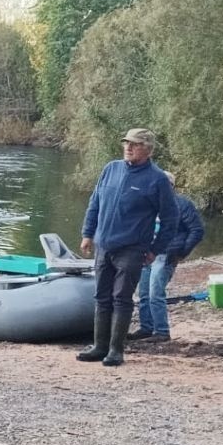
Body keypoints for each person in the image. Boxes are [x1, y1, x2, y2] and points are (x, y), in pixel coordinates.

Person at [77, 128, 177, 367]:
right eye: (126, 143)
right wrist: (87, 234)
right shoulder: (111, 169)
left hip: (132, 249)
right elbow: (95, 202)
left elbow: (170, 219)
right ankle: (99, 346)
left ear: (148, 149)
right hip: (104, 245)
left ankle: (116, 350)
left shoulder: (157, 179)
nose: (128, 147)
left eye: (135, 144)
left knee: (121, 298)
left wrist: (155, 249)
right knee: (101, 297)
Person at [130, 170, 205, 342]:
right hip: (146, 254)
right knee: (143, 293)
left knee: (156, 293)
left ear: (170, 186)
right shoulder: (150, 205)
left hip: (166, 254)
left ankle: (162, 331)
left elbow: (197, 230)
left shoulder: (182, 205)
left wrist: (181, 252)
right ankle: (146, 328)